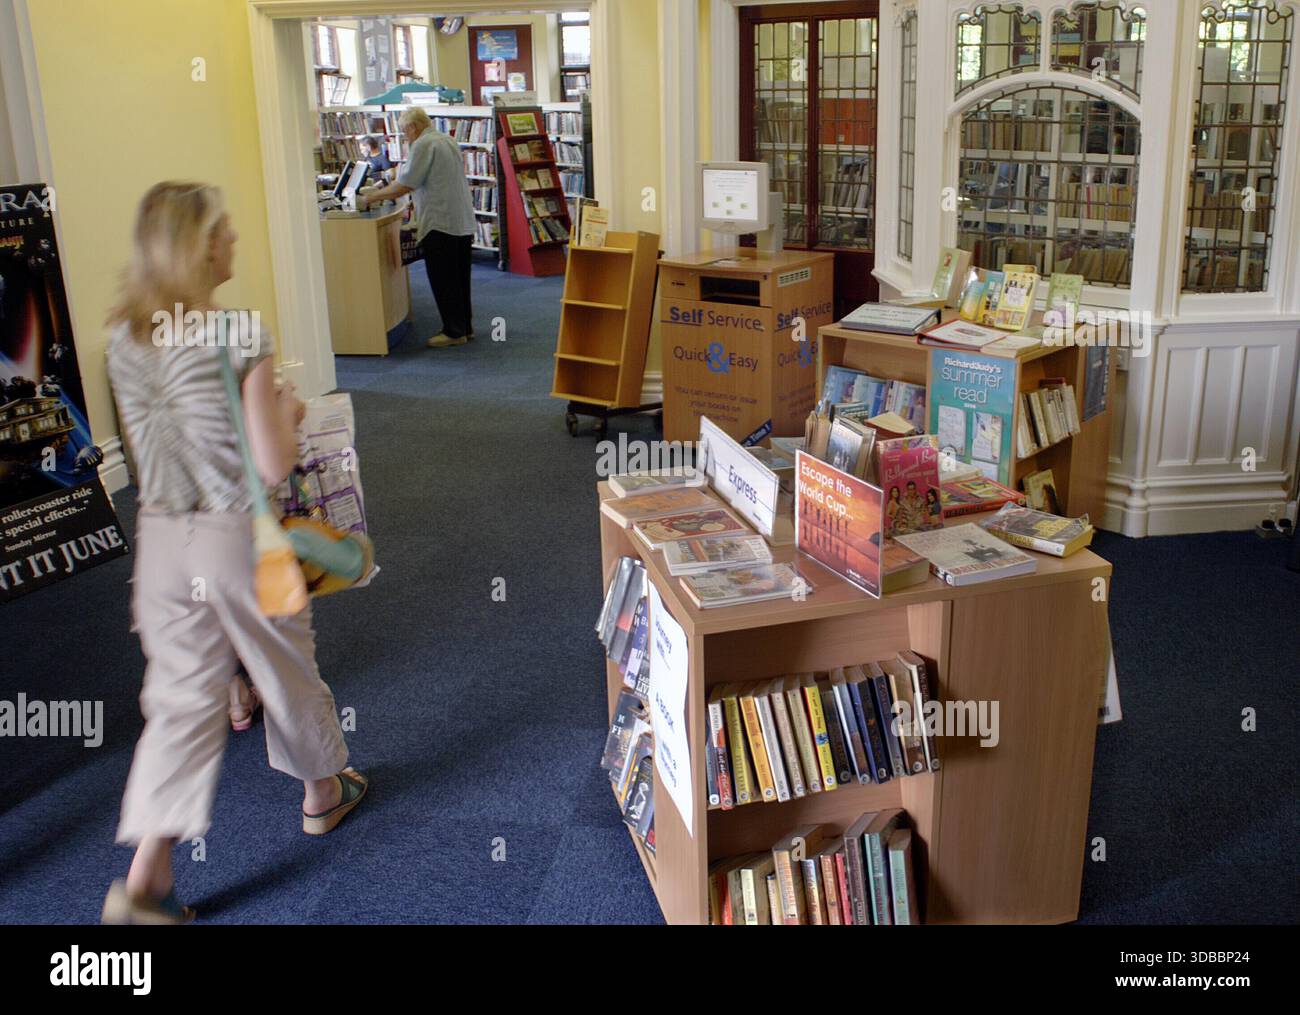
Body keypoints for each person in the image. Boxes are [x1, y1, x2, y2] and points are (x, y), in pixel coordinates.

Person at [101, 181, 367, 925]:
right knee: (284, 663)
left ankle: (146, 880)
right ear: (197, 245)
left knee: (180, 704)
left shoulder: (124, 337)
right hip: (234, 538)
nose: (235, 239)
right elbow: (273, 463)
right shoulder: (239, 334)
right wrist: (287, 407)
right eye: (223, 230)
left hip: (159, 541)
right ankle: (321, 791)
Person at [357, 107, 475, 348]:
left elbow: (405, 185)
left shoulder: (422, 144)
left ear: (413, 127)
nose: (405, 137)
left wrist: (370, 197)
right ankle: (465, 327)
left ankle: (453, 332)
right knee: (460, 278)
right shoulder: (447, 140)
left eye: (404, 131)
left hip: (439, 221)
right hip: (461, 220)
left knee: (443, 278)